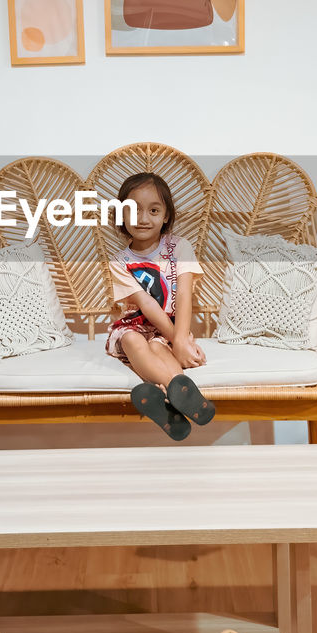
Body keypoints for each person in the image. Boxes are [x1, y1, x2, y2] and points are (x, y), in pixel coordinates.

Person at [107, 171, 216, 441]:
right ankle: (181, 394)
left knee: (159, 349)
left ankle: (170, 402)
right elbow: (145, 303)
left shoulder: (179, 247)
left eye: (154, 210)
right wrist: (177, 340)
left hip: (168, 329)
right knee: (133, 340)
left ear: (166, 215)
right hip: (134, 325)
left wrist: (180, 339)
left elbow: (185, 296)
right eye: (134, 211)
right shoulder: (119, 261)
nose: (143, 219)